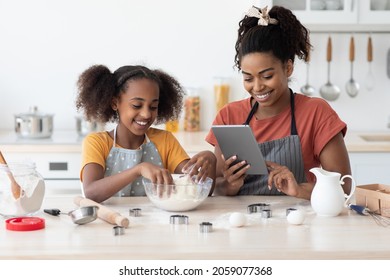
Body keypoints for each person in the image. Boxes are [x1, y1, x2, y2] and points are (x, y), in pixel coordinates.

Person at [205, 5, 351, 199]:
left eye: (266, 76)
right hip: (245, 224)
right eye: (248, 78)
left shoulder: (316, 113)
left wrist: (299, 189)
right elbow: (215, 186)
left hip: (300, 224)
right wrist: (232, 185)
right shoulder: (229, 116)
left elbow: (344, 186)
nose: (257, 87)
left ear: (288, 68)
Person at [76, 64, 216, 203]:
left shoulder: (165, 140)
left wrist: (211, 160)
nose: (146, 114)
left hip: (155, 222)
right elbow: (91, 192)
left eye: (153, 107)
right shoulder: (96, 142)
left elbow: (198, 189)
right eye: (137, 105)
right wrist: (138, 169)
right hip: (110, 222)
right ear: (115, 103)